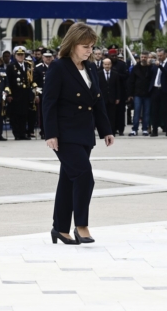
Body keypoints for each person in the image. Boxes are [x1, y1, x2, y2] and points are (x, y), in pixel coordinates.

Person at [42, 22, 114, 245]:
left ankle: (60, 229)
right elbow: (49, 103)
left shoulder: (91, 68)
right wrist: (51, 133)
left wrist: (105, 130)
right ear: (72, 44)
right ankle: (81, 225)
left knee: (68, 180)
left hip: (84, 133)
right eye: (85, 46)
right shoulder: (59, 67)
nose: (89, 50)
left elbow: (97, 101)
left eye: (92, 46)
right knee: (84, 176)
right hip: (64, 134)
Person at [7, 46, 32, 140]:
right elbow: (8, 81)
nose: (21, 56)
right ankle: (17, 133)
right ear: (15, 55)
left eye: (22, 54)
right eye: (19, 55)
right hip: (15, 94)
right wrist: (9, 94)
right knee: (15, 115)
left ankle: (23, 133)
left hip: (25, 94)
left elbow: (30, 80)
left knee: (24, 114)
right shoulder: (11, 66)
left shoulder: (28, 65)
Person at [150, 48, 167, 137]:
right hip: (155, 89)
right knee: (154, 111)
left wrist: (160, 66)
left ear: (165, 55)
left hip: (164, 90)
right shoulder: (155, 64)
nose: (159, 57)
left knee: (165, 110)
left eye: (161, 55)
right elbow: (152, 74)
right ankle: (154, 130)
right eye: (158, 56)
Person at [127, 51, 152, 136]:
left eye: (145, 57)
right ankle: (134, 129)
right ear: (140, 58)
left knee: (146, 112)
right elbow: (131, 81)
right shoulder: (135, 68)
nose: (143, 59)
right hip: (137, 93)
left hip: (148, 94)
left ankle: (145, 129)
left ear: (148, 58)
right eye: (142, 57)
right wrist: (130, 94)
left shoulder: (150, 68)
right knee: (136, 112)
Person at [98, 58, 120, 135]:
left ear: (111, 65)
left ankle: (112, 132)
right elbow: (97, 87)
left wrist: (117, 97)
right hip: (102, 98)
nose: (107, 66)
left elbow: (118, 87)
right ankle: (103, 132)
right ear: (103, 65)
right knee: (103, 116)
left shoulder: (115, 74)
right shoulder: (99, 74)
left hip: (112, 98)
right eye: (105, 64)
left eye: (108, 64)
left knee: (112, 116)